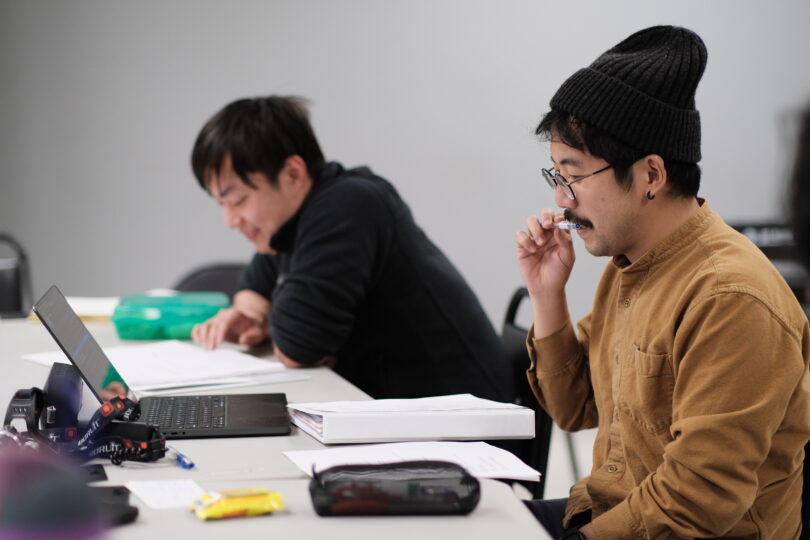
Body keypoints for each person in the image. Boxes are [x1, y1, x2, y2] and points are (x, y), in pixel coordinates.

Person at [516, 26, 810, 538]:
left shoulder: (730, 297)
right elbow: (574, 408)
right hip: (611, 511)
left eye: (574, 174)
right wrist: (547, 295)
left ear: (651, 175)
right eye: (555, 177)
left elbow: (695, 499)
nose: (563, 199)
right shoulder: (632, 264)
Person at [188, 95, 512, 402]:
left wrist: (270, 320)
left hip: (464, 419)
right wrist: (251, 314)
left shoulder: (347, 205)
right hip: (398, 411)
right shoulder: (291, 223)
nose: (230, 220)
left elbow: (298, 348)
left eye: (238, 200)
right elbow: (254, 285)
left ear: (293, 173)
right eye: (221, 204)